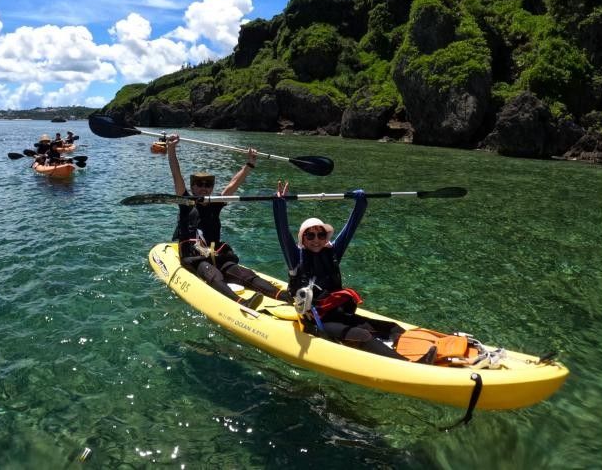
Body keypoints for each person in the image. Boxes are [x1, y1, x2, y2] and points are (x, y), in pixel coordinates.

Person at [273, 180, 416, 361]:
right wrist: (280, 203)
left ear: (326, 237)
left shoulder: (332, 253)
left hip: (340, 314)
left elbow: (351, 227)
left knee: (393, 328)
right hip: (318, 321)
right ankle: (408, 365)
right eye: (310, 235)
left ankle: (420, 350)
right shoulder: (295, 258)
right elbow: (283, 233)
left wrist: (360, 202)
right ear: (303, 238)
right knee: (363, 335)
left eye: (321, 235)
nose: (316, 240)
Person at [166, 134, 290, 309]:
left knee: (244, 274)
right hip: (195, 257)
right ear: (192, 187)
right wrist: (171, 149)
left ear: (211, 188)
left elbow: (233, 184)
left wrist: (249, 164)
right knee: (213, 274)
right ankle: (242, 303)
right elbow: (176, 175)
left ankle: (283, 295)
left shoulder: (215, 204)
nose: (203, 188)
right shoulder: (186, 202)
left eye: (208, 185)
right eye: (199, 184)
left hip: (217, 254)